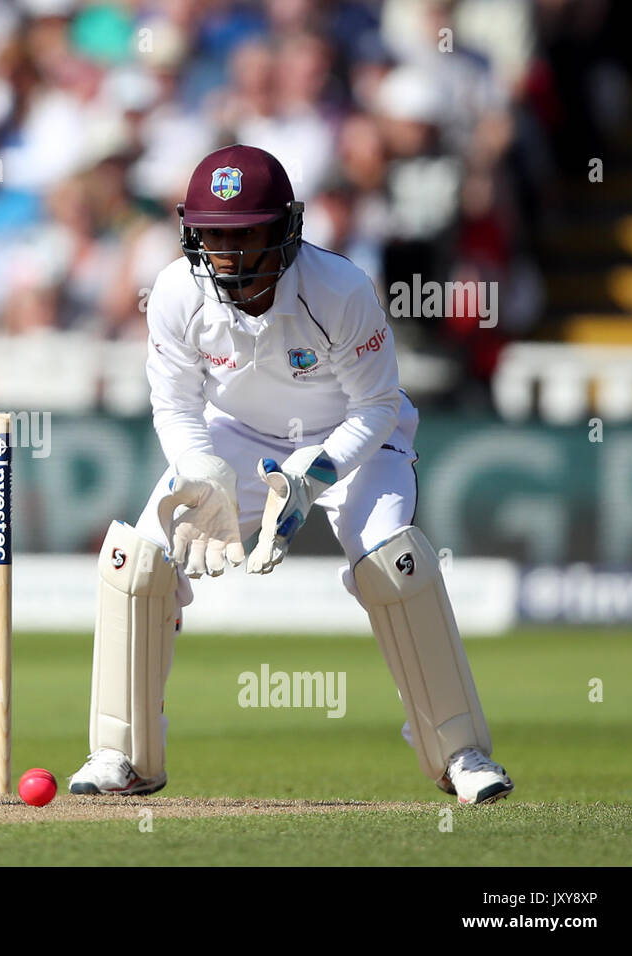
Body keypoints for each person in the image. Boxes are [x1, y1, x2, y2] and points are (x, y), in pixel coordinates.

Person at [67, 144, 514, 806]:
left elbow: (377, 406)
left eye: (245, 235)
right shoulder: (172, 291)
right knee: (138, 563)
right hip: (234, 437)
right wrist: (204, 471)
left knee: (394, 562)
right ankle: (122, 754)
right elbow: (175, 403)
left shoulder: (340, 290)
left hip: (354, 441)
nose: (227, 254)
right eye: (213, 235)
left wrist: (312, 474)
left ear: (286, 230)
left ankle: (459, 753)